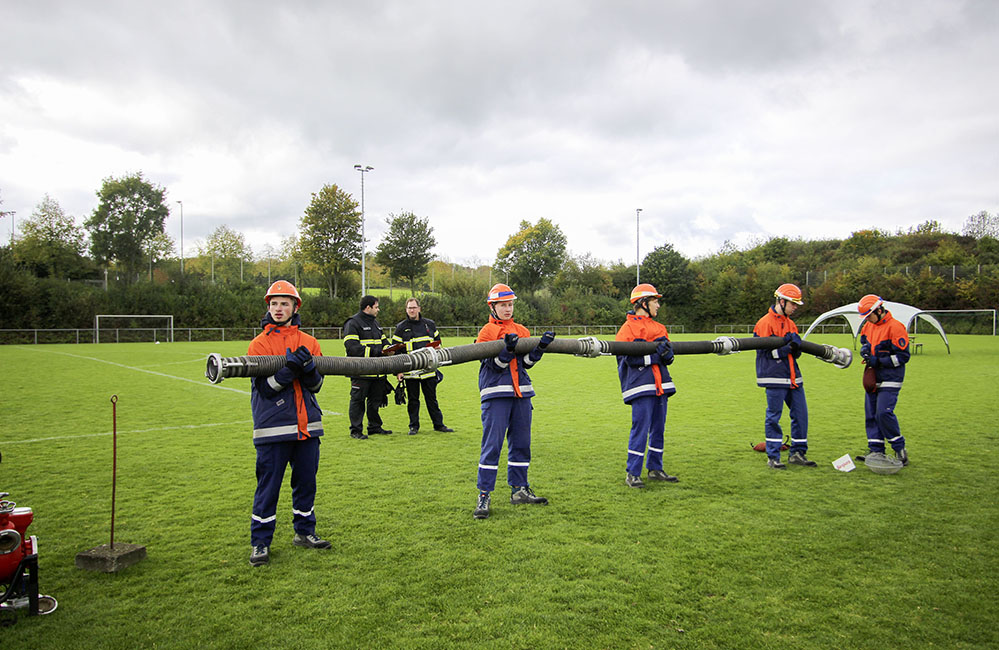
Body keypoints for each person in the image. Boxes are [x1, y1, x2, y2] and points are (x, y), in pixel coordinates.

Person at [248, 280, 331, 567]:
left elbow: (317, 385)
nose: (278, 308)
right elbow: (266, 389)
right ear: (268, 308)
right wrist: (290, 370)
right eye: (274, 304)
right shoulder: (259, 344)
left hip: (308, 427)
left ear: (295, 307)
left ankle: (305, 533)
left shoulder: (309, 342)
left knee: (306, 484)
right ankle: (260, 542)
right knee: (268, 488)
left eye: (284, 303)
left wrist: (307, 370)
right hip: (273, 428)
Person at [473, 283, 554, 519]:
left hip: (522, 394)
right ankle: (484, 494)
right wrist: (506, 350)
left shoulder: (522, 329)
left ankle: (519, 490)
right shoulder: (487, 332)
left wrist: (539, 349)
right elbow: (494, 366)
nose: (507, 309)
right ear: (493, 307)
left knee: (521, 444)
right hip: (496, 395)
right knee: (492, 446)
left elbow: (525, 364)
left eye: (510, 304)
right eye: (503, 305)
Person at [615, 283, 680, 488]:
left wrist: (666, 356)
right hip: (640, 386)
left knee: (659, 429)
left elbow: (667, 358)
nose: (658, 305)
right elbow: (629, 360)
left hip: (660, 385)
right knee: (640, 429)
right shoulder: (627, 329)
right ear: (643, 303)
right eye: (655, 301)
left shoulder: (660, 328)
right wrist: (655, 356)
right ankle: (633, 473)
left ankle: (655, 468)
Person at [753, 283, 816, 469]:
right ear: (781, 301)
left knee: (801, 415)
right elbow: (763, 352)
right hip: (774, 377)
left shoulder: (791, 324)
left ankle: (798, 452)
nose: (796, 307)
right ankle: (773, 457)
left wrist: (795, 349)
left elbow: (795, 354)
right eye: (793, 303)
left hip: (793, 377)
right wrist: (786, 349)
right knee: (774, 416)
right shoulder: (764, 323)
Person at [858, 294, 910, 465]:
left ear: (879, 310)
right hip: (873, 377)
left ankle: (899, 448)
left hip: (890, 378)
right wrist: (865, 351)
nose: (868, 320)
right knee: (871, 413)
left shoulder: (896, 327)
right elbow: (864, 341)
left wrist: (878, 361)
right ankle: (876, 451)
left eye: (869, 316)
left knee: (883, 412)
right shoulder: (869, 325)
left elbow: (902, 357)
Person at [393, 297, 454, 435]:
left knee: (432, 399)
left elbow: (438, 343)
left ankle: (439, 425)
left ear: (419, 308)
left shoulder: (429, 325)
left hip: (429, 371)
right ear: (406, 310)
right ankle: (413, 427)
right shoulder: (401, 328)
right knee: (413, 401)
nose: (412, 310)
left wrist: (438, 349)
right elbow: (396, 352)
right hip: (411, 371)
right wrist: (398, 372)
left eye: (414, 307)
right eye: (409, 308)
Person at [343, 295, 396, 439]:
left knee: (375, 401)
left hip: (378, 372)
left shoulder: (376, 324)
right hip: (361, 371)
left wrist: (389, 349)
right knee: (358, 401)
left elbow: (384, 341)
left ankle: (374, 427)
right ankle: (356, 430)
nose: (378, 310)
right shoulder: (353, 323)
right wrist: (378, 353)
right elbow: (352, 347)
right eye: (376, 307)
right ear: (368, 307)